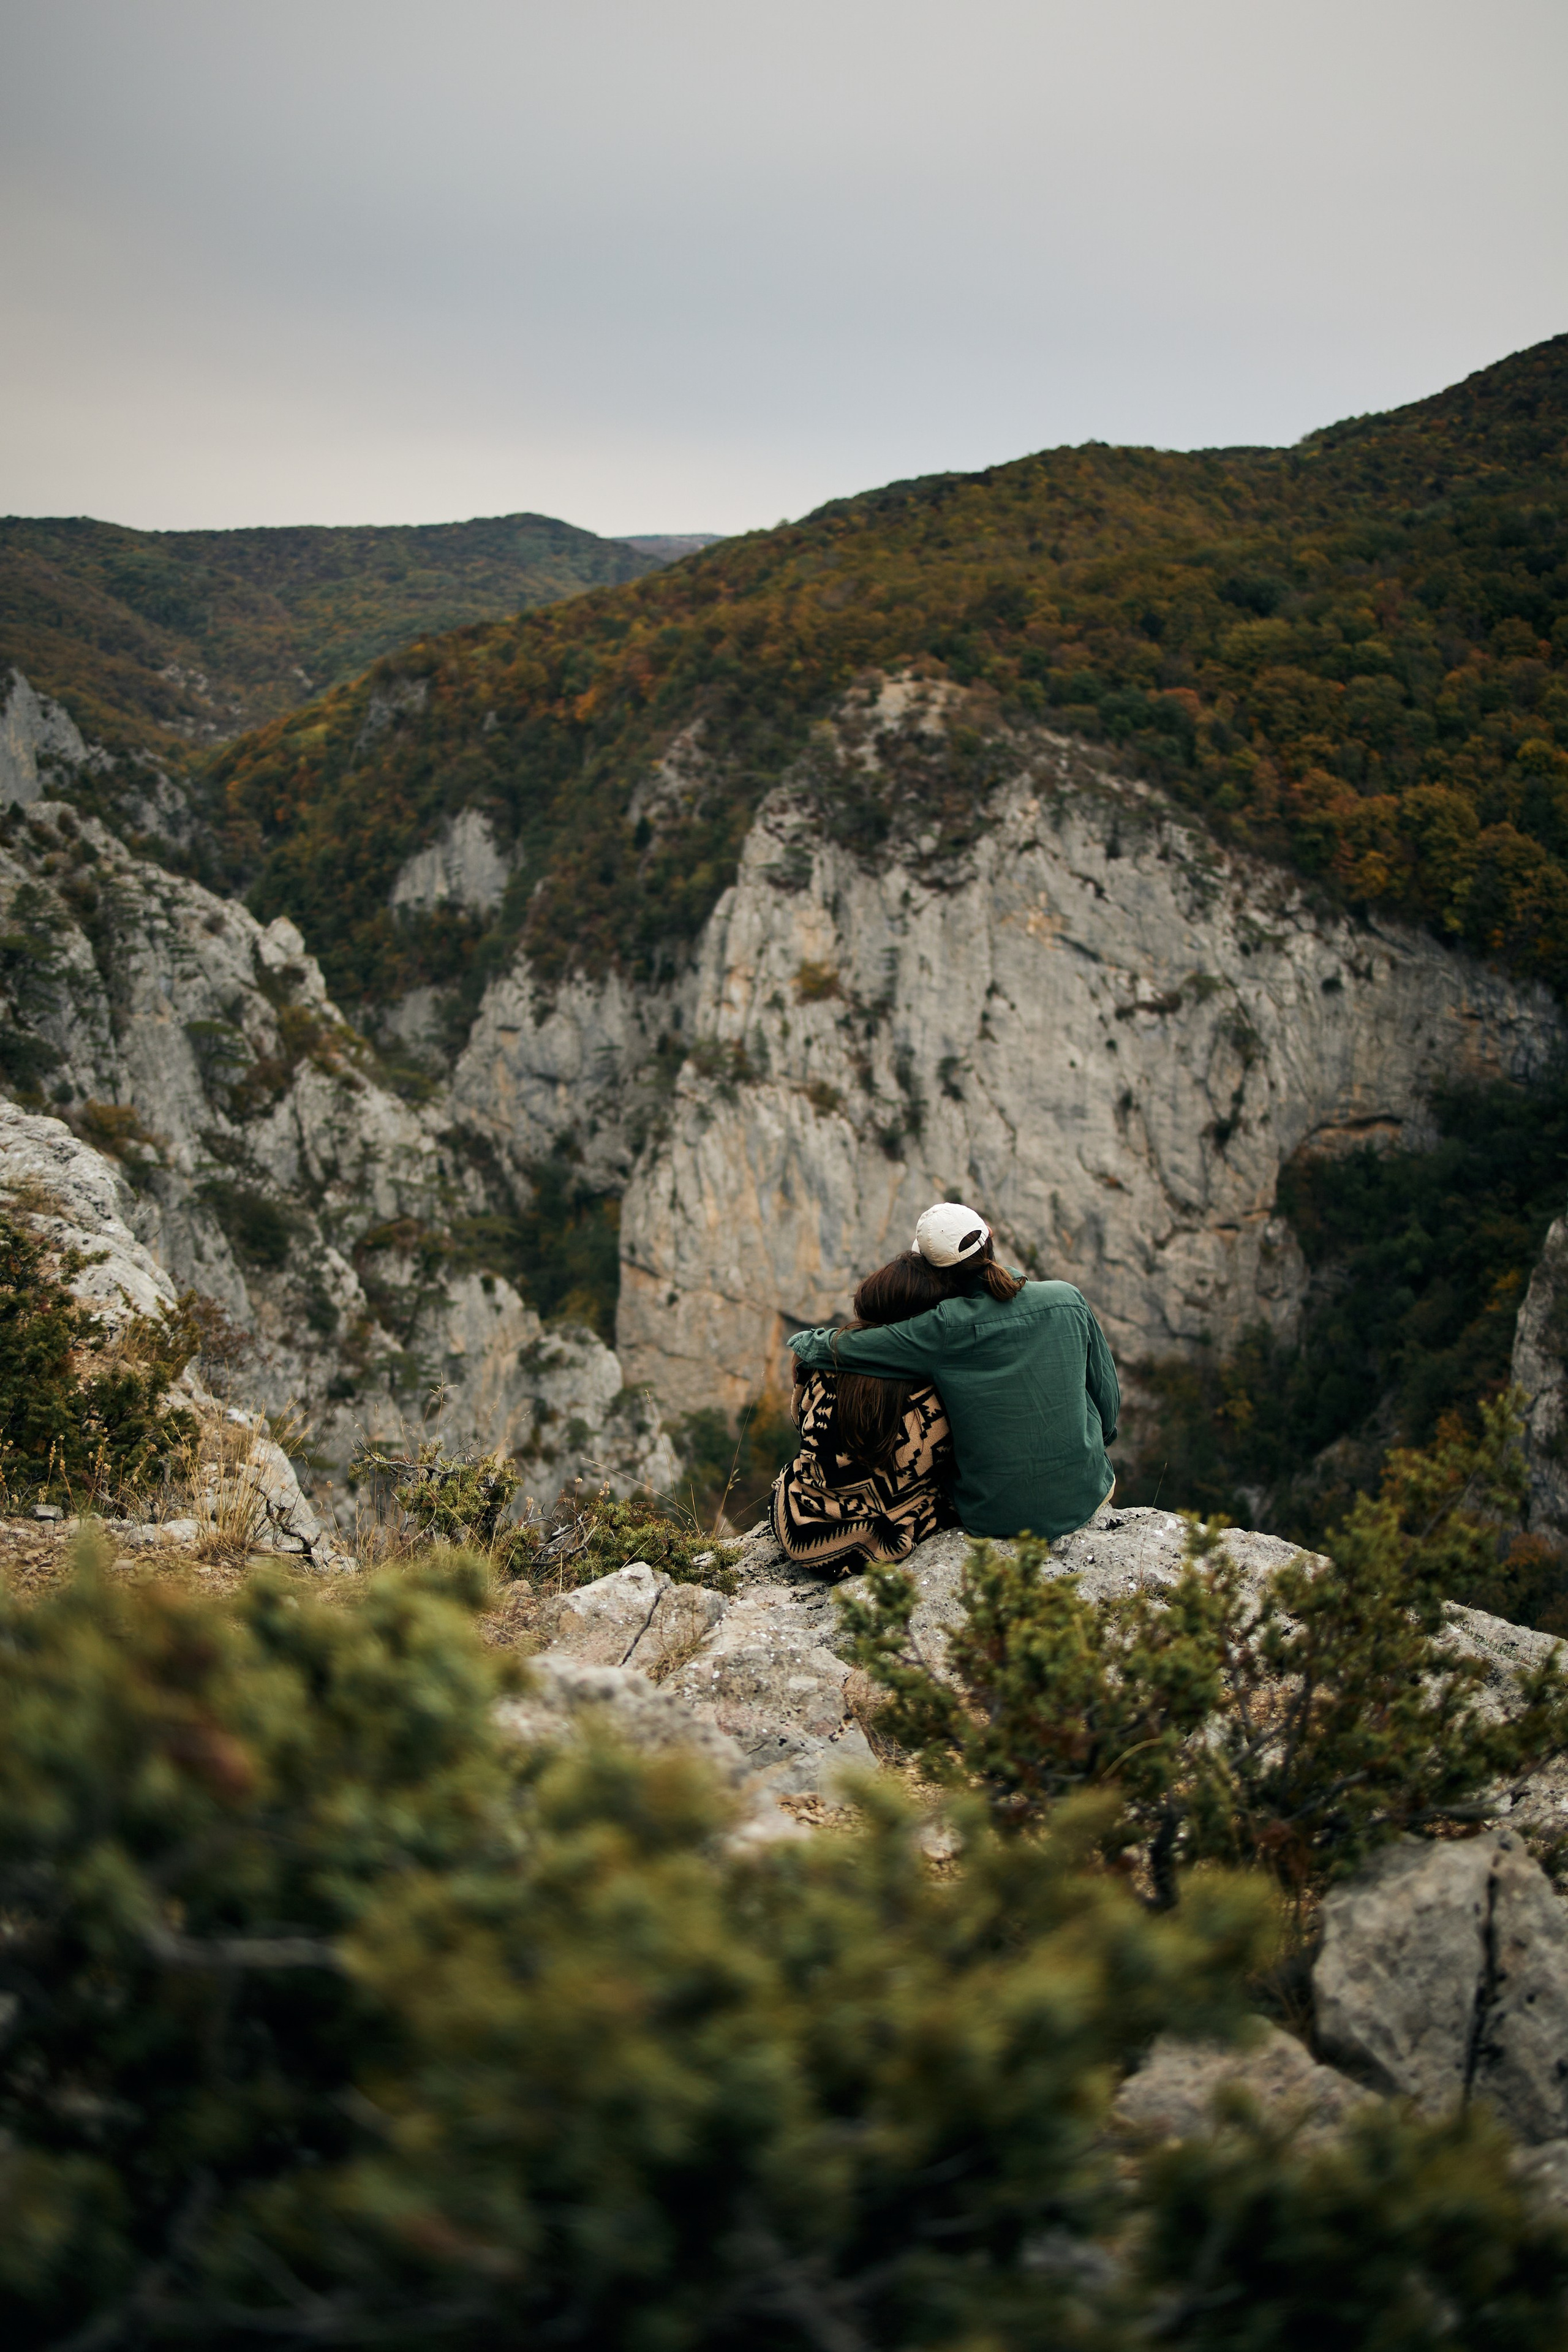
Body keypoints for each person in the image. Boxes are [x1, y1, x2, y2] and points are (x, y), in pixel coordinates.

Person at [785, 1201, 1118, 1542]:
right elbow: (1106, 1395)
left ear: (932, 1272)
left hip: (996, 1519)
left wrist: (805, 1346)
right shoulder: (1068, 1298)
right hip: (1088, 1494)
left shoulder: (943, 1326)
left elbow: (850, 1346)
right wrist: (1091, 1454)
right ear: (990, 1237)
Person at [769, 1248, 957, 1573]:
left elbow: (801, 1423)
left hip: (805, 1529)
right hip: (891, 1533)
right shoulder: (936, 1380)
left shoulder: (822, 1363)